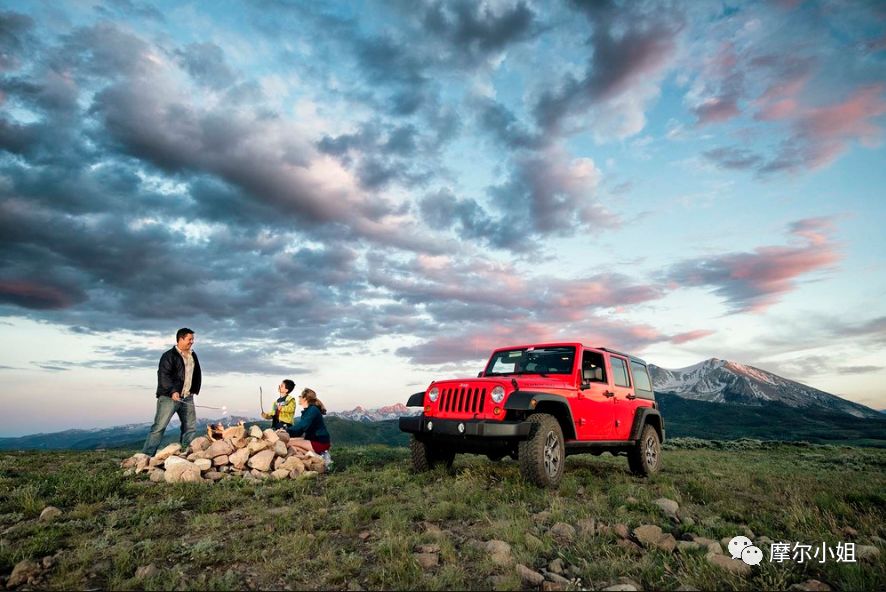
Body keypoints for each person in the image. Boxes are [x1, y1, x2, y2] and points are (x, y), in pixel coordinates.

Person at [142, 328, 202, 456]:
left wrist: (194, 390)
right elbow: (163, 375)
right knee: (159, 427)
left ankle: (186, 453)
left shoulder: (193, 355)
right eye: (189, 339)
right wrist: (173, 391)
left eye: (193, 339)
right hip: (169, 398)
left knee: (190, 428)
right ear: (180, 339)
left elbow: (196, 374)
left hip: (187, 397)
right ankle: (146, 456)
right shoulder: (169, 356)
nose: (192, 342)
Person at [286, 388, 332, 465]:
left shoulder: (312, 410)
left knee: (288, 443)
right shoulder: (309, 410)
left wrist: (285, 431)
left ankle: (322, 459)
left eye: (300, 396)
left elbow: (301, 426)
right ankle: (319, 456)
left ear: (305, 398)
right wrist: (288, 434)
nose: (299, 397)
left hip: (319, 442)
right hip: (316, 440)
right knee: (293, 445)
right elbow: (299, 431)